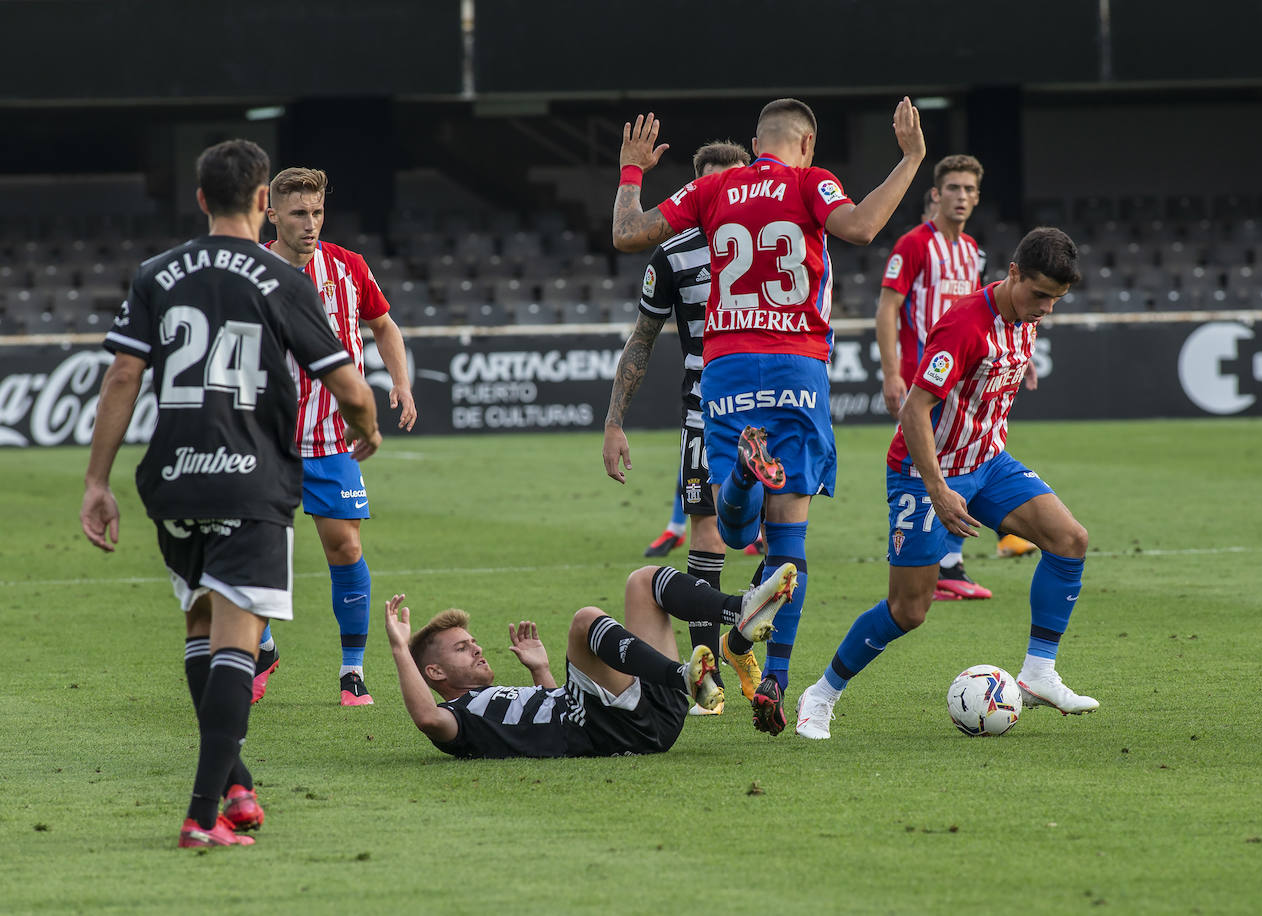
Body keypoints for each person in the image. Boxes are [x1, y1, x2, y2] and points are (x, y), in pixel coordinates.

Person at [79, 139, 382, 845]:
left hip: (173, 480)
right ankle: (201, 813)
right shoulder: (280, 279)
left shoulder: (157, 273)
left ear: (198, 199)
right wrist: (365, 425)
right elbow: (345, 381)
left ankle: (237, 784)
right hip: (251, 479)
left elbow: (123, 377)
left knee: (200, 630)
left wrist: (97, 480)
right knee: (237, 646)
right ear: (259, 203)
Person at [611, 98, 926, 735]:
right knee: (789, 543)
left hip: (724, 366)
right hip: (795, 368)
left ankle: (744, 480)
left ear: (757, 141)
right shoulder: (812, 183)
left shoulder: (713, 186)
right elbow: (862, 227)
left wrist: (630, 171)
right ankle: (776, 677)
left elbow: (626, 234)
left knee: (729, 534)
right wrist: (912, 156)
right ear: (806, 145)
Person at [794, 228, 1098, 740]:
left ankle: (1039, 673)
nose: (1046, 308)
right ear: (1014, 274)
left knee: (1070, 540)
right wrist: (935, 486)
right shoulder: (962, 324)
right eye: (1040, 294)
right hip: (924, 471)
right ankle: (821, 694)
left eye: (1056, 300)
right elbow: (915, 410)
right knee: (909, 609)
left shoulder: (1027, 316)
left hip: (988, 462)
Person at [251, 166, 417, 707]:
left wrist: (400, 382)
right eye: (299, 213)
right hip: (264, 438)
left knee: (344, 548)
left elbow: (384, 323)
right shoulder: (247, 271)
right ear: (272, 213)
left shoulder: (347, 266)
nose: (311, 223)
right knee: (249, 551)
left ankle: (351, 672)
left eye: (318, 212)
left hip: (329, 437)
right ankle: (263, 648)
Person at [603, 139, 753, 715]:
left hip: (771, 407)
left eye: (733, 181)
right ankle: (705, 673)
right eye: (711, 185)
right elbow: (640, 342)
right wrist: (615, 422)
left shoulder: (778, 244)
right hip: (705, 412)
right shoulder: (672, 254)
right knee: (709, 537)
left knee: (778, 532)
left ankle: (751, 649)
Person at [383, 562, 799, 759]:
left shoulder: (495, 700)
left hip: (642, 718)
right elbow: (427, 719)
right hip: (611, 732)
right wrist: (402, 649)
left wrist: (541, 672)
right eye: (461, 648)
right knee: (585, 621)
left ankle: (739, 609)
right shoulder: (458, 716)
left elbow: (547, 716)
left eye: (471, 641)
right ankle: (683, 679)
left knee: (642, 581)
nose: (476, 648)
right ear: (434, 673)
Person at [876, 154, 1037, 599]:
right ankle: (939, 566)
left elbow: (988, 310)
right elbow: (887, 307)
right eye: (953, 188)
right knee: (925, 468)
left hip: (965, 381)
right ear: (935, 194)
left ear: (978, 197)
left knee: (968, 458)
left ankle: (950, 564)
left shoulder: (971, 251)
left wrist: (1020, 355)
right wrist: (891, 373)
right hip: (920, 380)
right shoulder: (913, 245)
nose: (961, 197)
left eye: (969, 190)